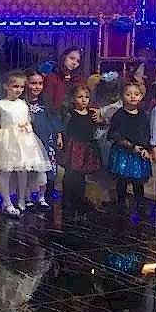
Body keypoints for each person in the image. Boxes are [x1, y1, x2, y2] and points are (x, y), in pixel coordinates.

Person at [0, 71, 52, 218]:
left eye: (22, 87)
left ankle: (22, 199)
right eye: (15, 86)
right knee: (6, 171)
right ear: (6, 86)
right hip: (7, 140)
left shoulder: (23, 103)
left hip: (24, 140)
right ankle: (7, 202)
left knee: (23, 170)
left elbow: (27, 120)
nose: (19, 90)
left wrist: (27, 128)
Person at [108, 82, 153, 212]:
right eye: (129, 94)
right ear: (122, 96)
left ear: (141, 96)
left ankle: (140, 203)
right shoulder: (119, 115)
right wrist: (130, 146)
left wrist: (146, 149)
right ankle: (121, 203)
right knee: (121, 180)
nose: (133, 97)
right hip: (123, 153)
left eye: (136, 94)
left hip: (139, 153)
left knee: (138, 181)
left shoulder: (143, 115)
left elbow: (146, 133)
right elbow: (114, 134)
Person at [61, 85, 102, 217]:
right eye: (80, 97)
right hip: (74, 147)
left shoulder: (91, 114)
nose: (84, 100)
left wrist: (100, 120)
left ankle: (79, 200)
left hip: (86, 147)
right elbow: (64, 129)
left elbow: (99, 126)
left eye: (86, 97)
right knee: (70, 174)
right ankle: (67, 200)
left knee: (81, 176)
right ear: (73, 98)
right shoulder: (70, 114)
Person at [25, 69, 63, 205]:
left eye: (40, 83)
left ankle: (44, 197)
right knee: (29, 169)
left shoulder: (46, 102)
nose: (37, 87)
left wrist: (59, 135)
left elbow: (54, 118)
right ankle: (27, 197)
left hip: (47, 139)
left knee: (47, 168)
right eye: (33, 83)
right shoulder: (22, 104)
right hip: (29, 141)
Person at [44, 47, 85, 113]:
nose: (74, 63)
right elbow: (47, 102)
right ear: (64, 57)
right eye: (72, 58)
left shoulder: (81, 80)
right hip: (55, 116)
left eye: (78, 61)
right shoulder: (52, 77)